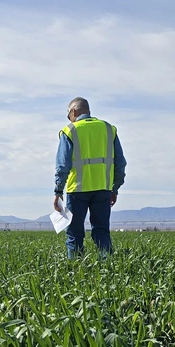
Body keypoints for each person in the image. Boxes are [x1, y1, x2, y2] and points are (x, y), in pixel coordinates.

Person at [52, 97, 127, 256]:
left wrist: (58, 191)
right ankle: (108, 268)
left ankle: (75, 272)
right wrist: (115, 188)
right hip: (103, 189)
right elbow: (120, 163)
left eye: (68, 116)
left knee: (74, 233)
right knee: (101, 231)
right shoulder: (108, 129)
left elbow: (62, 165)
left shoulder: (69, 131)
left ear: (73, 112)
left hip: (77, 190)